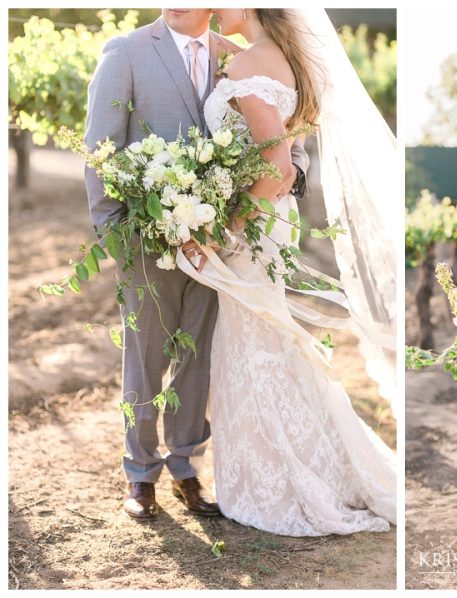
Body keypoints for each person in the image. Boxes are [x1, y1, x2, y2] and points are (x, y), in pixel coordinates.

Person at [176, 8, 397, 536]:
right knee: (265, 336)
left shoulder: (251, 62)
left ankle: (277, 478)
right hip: (271, 221)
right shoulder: (280, 56)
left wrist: (221, 230)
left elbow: (277, 166)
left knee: (252, 341)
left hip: (251, 227)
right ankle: (293, 462)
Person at [84, 8, 310, 520]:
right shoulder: (127, 52)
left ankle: (187, 466)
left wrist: (284, 179)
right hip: (148, 239)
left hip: (221, 245)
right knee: (144, 357)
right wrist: (116, 236)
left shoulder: (238, 57)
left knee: (198, 358)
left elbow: (286, 135)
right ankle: (139, 475)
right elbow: (100, 150)